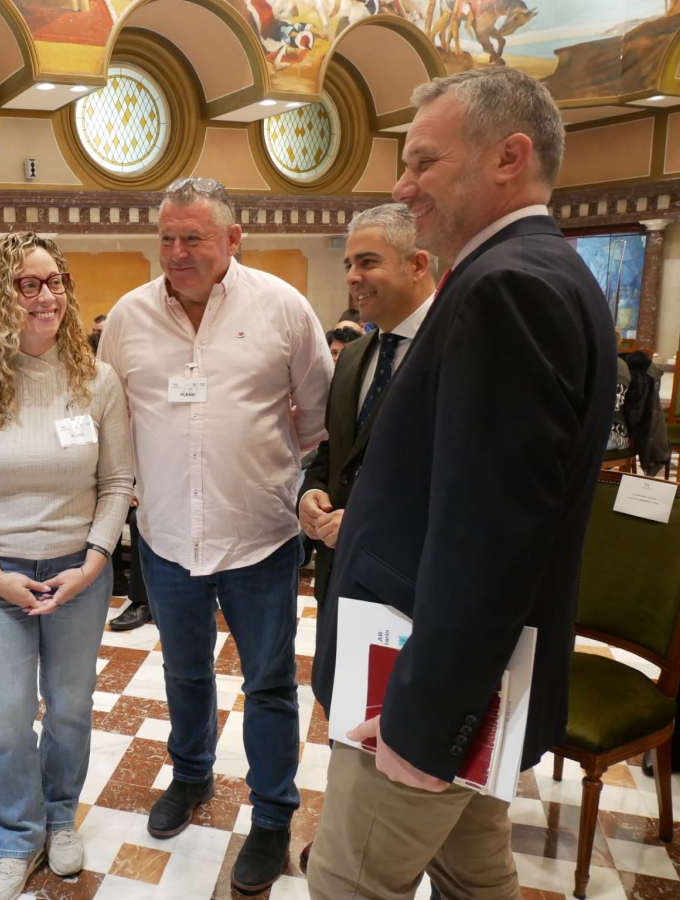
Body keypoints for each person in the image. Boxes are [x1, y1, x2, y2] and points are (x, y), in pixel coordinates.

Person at [307, 68, 617, 899]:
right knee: (477, 880)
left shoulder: (506, 287)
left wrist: (421, 727)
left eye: (423, 164)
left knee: (346, 885)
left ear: (508, 157)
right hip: (466, 684)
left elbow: (492, 540)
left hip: (424, 697)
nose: (402, 189)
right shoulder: (538, 271)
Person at [99, 177, 333, 895]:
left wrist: (270, 476)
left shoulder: (284, 309)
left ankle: (270, 817)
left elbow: (316, 415)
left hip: (261, 537)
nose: (176, 251)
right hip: (168, 537)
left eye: (193, 237)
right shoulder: (129, 318)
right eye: (167, 238)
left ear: (233, 239)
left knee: (267, 684)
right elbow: (113, 419)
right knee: (184, 671)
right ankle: (192, 776)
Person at [0, 232, 133, 900]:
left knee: (72, 710)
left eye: (56, 282)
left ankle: (60, 814)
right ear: (0, 295)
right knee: (6, 714)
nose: (48, 296)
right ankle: (18, 837)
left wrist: (93, 561)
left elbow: (118, 483)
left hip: (80, 574)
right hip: (0, 576)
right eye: (30, 284)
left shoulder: (97, 379)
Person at [296, 202, 434, 870]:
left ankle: (384, 853)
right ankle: (347, 828)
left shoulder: (449, 355)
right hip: (343, 583)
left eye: (367, 262)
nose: (353, 276)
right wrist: (311, 496)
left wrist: (369, 522)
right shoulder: (356, 356)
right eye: (348, 263)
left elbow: (461, 487)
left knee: (403, 730)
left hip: (413, 591)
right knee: (346, 716)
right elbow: (331, 455)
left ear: (417, 263)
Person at [107, 500, 152, 630]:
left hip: (156, 494)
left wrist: (142, 489)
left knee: (138, 519)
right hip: (123, 488)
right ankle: (116, 577)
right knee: (106, 511)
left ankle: (142, 601)